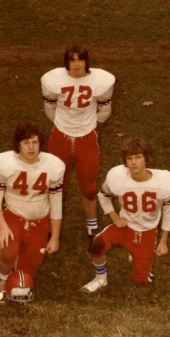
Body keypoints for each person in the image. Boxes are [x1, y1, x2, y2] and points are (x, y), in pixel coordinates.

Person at [82, 138, 170, 292]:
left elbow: (169, 211)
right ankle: (101, 279)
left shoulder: (165, 182)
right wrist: (115, 217)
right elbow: (103, 195)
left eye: (138, 157)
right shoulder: (118, 177)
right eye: (130, 158)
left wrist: (163, 241)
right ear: (125, 161)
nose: (133, 162)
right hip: (125, 226)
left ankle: (136, 255)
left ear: (147, 159)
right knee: (97, 245)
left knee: (141, 280)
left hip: (147, 232)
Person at [41, 43, 115, 240]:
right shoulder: (53, 81)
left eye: (80, 59)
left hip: (86, 139)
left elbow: (105, 112)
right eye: (72, 60)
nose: (76, 64)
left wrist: (88, 126)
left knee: (89, 187)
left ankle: (92, 227)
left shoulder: (100, 81)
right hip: (60, 137)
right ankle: (48, 225)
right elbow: (49, 109)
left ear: (86, 61)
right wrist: (64, 125)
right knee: (55, 185)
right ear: (67, 62)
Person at [0, 123, 65, 298]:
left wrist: (55, 237)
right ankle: (3, 279)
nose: (31, 147)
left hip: (40, 220)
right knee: (8, 251)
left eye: (35, 142)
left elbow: (56, 203)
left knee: (28, 273)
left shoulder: (54, 166)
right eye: (26, 143)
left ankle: (18, 266)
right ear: (18, 145)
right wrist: (3, 227)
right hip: (14, 215)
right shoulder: (4, 164)